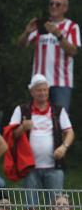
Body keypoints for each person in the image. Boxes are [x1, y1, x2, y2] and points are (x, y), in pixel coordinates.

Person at [8, 74, 73, 203]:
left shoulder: (58, 110)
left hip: (54, 166)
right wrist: (22, 128)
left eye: (45, 90)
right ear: (32, 92)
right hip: (29, 166)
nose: (42, 93)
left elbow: (69, 132)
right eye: (39, 90)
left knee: (56, 206)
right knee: (31, 206)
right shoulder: (21, 110)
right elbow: (11, 135)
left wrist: (64, 147)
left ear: (48, 91)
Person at [16, 0, 79, 109]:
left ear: (65, 8)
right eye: (51, 4)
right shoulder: (42, 25)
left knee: (59, 117)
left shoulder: (71, 27)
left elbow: (73, 51)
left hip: (61, 83)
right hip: (39, 81)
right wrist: (27, 32)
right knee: (37, 116)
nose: (54, 6)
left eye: (57, 4)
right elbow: (21, 45)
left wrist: (58, 35)